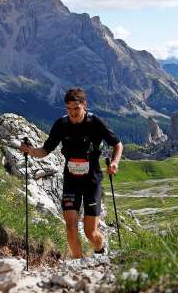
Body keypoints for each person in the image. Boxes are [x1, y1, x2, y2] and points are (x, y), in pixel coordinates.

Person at [20, 87, 123, 258]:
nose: (72, 113)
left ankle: (100, 249)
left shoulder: (94, 122)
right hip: (71, 181)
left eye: (76, 109)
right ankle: (79, 264)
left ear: (84, 105)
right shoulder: (61, 124)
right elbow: (46, 150)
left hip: (92, 182)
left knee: (91, 233)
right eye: (68, 109)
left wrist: (114, 162)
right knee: (71, 227)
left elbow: (117, 144)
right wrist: (31, 151)